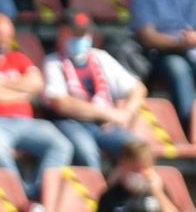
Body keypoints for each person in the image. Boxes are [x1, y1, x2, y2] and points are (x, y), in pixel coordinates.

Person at [0, 13, 73, 201]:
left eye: (6, 39)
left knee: (61, 145)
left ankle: (38, 195)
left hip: (25, 123)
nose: (2, 43)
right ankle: (20, 197)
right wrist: (19, 90)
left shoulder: (18, 58)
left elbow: (37, 84)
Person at [41, 10, 147, 171]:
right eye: (75, 34)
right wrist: (108, 114)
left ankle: (121, 190)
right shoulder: (52, 62)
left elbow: (138, 88)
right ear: (62, 33)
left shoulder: (100, 57)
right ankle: (93, 193)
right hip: (70, 123)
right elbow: (61, 104)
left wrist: (126, 113)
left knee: (137, 150)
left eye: (84, 33)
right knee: (87, 152)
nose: (81, 38)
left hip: (103, 125)